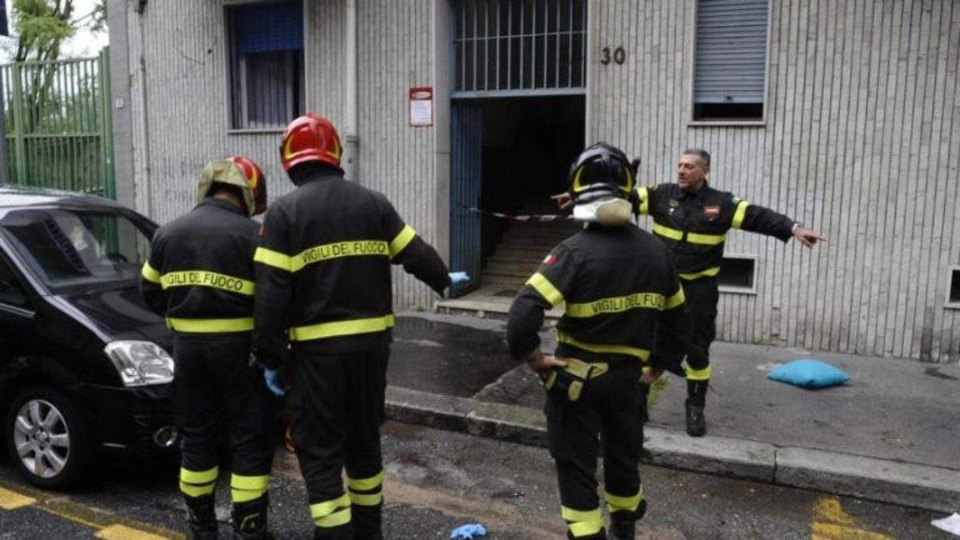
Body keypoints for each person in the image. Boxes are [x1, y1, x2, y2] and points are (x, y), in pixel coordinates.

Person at [253, 114, 462, 540]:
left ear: (289, 160)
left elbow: (270, 297)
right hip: (372, 354)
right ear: (335, 154)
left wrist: (271, 358)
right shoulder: (374, 203)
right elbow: (415, 252)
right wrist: (444, 280)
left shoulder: (284, 214)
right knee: (364, 445)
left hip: (317, 361)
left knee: (321, 453)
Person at [508, 143, 691, 540]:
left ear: (576, 193)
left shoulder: (573, 252)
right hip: (630, 383)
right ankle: (624, 524)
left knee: (576, 467)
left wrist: (535, 358)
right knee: (624, 459)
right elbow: (679, 320)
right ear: (627, 189)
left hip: (576, 384)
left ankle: (588, 533)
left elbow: (522, 315)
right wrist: (657, 366)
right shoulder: (658, 253)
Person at [634, 149, 825, 436]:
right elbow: (621, 196)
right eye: (680, 165)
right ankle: (637, 404)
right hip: (663, 286)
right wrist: (577, 197)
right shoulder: (662, 194)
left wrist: (793, 228)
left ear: (704, 171)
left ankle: (695, 408)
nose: (682, 170)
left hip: (699, 289)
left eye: (689, 166)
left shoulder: (721, 203)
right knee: (648, 343)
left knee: (697, 349)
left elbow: (758, 216)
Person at [140, 157, 273, 540]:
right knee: (248, 438)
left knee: (196, 438)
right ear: (248, 194)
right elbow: (273, 298)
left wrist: (181, 317)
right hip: (241, 353)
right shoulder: (256, 235)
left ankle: (202, 527)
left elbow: (148, 291)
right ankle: (249, 529)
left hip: (188, 352)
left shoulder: (167, 234)